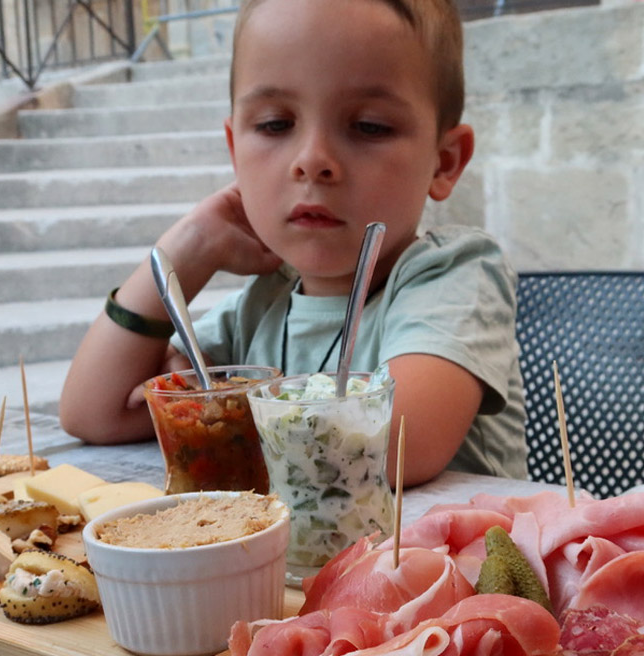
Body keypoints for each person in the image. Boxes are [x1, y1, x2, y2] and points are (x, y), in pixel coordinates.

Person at [60, 0, 528, 487]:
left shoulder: (454, 277)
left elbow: (390, 444)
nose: (312, 159)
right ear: (235, 149)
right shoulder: (263, 306)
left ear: (445, 161)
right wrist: (188, 249)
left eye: (369, 126)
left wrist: (222, 408)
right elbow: (94, 413)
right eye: (275, 125)